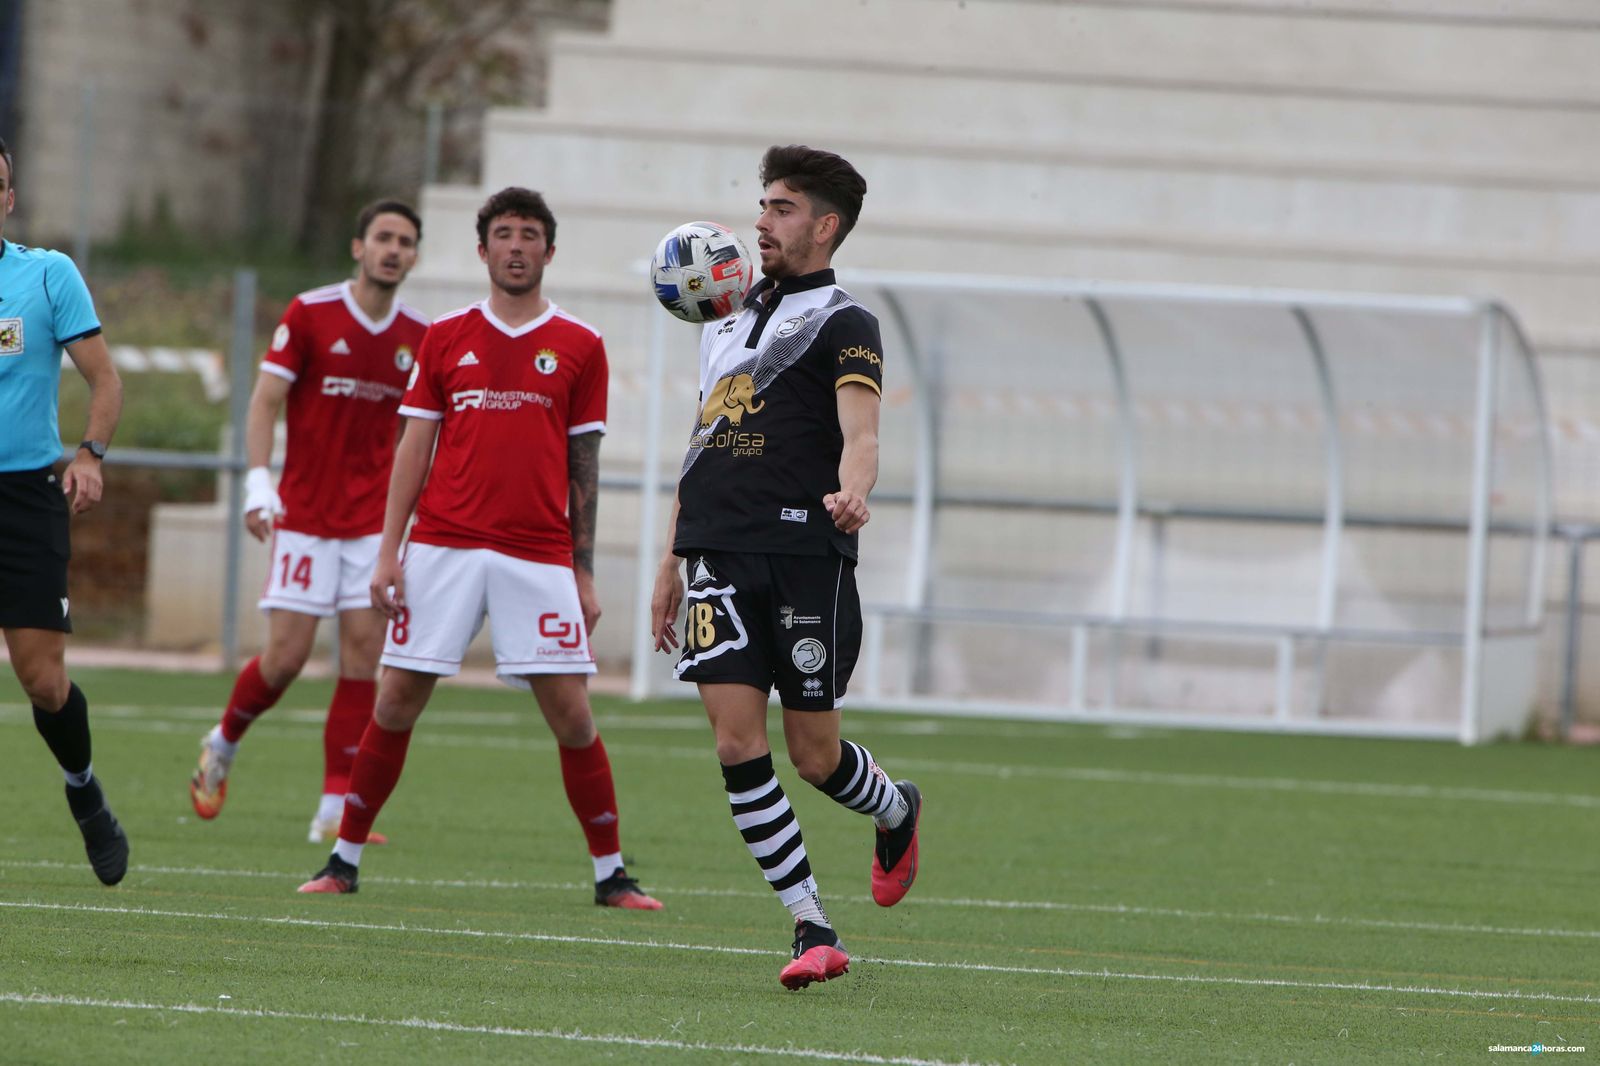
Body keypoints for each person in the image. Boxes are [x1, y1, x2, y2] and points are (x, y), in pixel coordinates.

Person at [298, 186, 662, 911]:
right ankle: (343, 860)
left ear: (549, 252)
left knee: (573, 715)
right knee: (396, 699)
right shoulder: (444, 337)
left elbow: (583, 465)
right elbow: (413, 448)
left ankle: (612, 874)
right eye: (504, 233)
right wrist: (386, 552)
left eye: (531, 234)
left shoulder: (582, 346)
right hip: (443, 546)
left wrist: (582, 572)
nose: (517, 245)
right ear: (483, 249)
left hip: (538, 555)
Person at [650, 145, 921, 989]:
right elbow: (702, 445)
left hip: (806, 552)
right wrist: (671, 559)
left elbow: (862, 436)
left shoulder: (845, 323)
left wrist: (852, 493)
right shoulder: (723, 319)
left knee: (813, 756)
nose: (760, 223)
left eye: (780, 208)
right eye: (762, 206)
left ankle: (895, 807)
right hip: (718, 552)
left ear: (824, 225)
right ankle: (810, 924)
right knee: (736, 742)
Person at [188, 200, 428, 844]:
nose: (393, 249)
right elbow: (266, 401)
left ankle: (334, 809)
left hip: (372, 528)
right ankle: (225, 737)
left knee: (361, 660)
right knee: (286, 659)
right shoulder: (311, 313)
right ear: (358, 247)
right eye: (383, 237)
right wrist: (258, 481)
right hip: (306, 517)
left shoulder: (420, 335)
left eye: (405, 241)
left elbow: (420, 434)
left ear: (415, 256)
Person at [0, 135, 129, 885]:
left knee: (43, 680)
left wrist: (89, 456)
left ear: (10, 197)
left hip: (25, 496)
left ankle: (85, 794)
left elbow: (104, 378)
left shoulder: (47, 276)